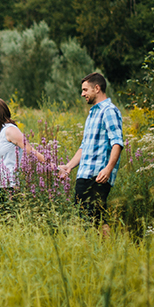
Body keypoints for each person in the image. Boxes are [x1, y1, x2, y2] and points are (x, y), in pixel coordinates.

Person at [59, 73, 123, 232]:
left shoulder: (109, 111)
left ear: (97, 88)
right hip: (85, 173)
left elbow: (117, 142)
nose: (82, 94)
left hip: (98, 175)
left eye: (85, 90)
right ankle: (104, 251)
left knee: (91, 219)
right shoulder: (92, 114)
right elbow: (84, 146)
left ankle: (103, 250)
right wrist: (69, 166)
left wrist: (108, 169)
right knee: (93, 217)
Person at [0, 97, 46, 192]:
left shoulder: (10, 130)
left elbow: (32, 152)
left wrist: (55, 168)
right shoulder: (1, 133)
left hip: (7, 188)